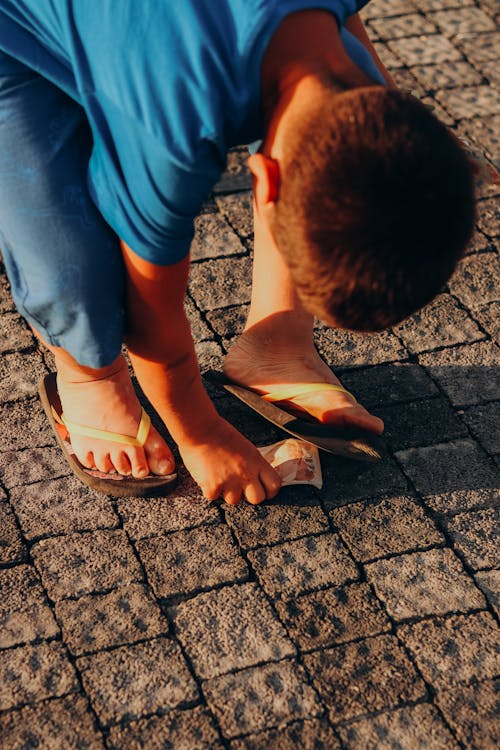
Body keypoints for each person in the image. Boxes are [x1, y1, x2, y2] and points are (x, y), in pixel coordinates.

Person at [0, 1, 475, 505]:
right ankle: (89, 376)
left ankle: (276, 342)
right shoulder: (175, 122)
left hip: (147, 33)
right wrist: (200, 433)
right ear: (260, 181)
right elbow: (151, 315)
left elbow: (350, 42)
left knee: (320, 142)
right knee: (76, 277)